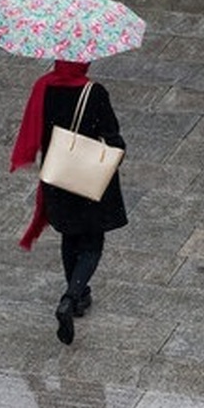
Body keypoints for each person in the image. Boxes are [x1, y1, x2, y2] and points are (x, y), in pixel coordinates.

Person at [10, 59, 127, 345]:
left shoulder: (43, 87)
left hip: (57, 174)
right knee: (92, 242)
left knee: (70, 236)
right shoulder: (94, 92)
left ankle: (78, 296)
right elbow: (112, 136)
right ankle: (71, 296)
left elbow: (35, 131)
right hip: (87, 177)